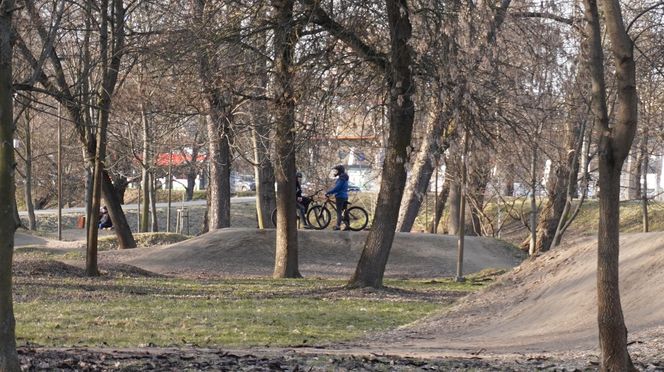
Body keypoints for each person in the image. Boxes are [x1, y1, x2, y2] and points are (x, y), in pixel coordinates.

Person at [325, 165, 350, 231]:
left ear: (339, 171)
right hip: (345, 196)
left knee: (339, 211)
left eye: (336, 171)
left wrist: (329, 192)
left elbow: (337, 188)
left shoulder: (341, 178)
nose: (335, 172)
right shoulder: (344, 178)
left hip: (340, 197)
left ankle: (338, 226)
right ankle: (347, 225)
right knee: (344, 211)